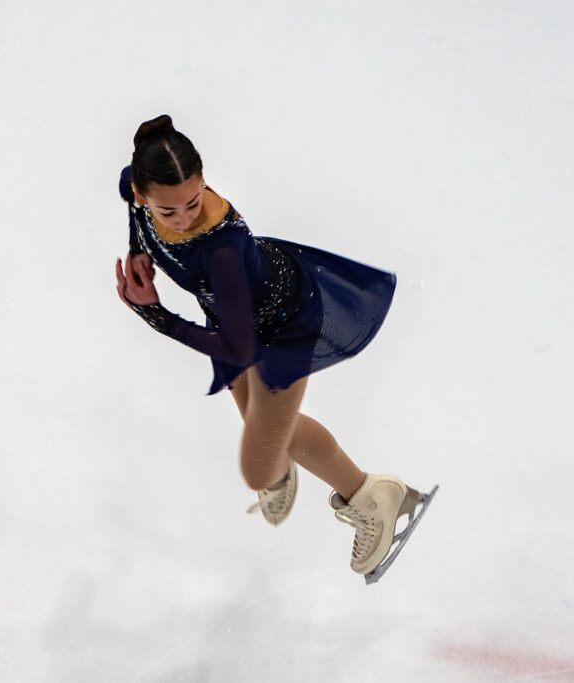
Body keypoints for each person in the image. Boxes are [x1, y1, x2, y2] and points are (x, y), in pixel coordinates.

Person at [114, 114, 433, 580]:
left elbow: (238, 351)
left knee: (258, 468)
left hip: (281, 321)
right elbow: (132, 205)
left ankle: (372, 496)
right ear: (144, 193)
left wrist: (154, 313)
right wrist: (139, 249)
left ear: (203, 182)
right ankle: (294, 461)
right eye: (168, 211)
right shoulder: (137, 191)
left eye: (194, 201)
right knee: (262, 426)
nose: (184, 217)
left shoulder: (220, 250)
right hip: (232, 313)